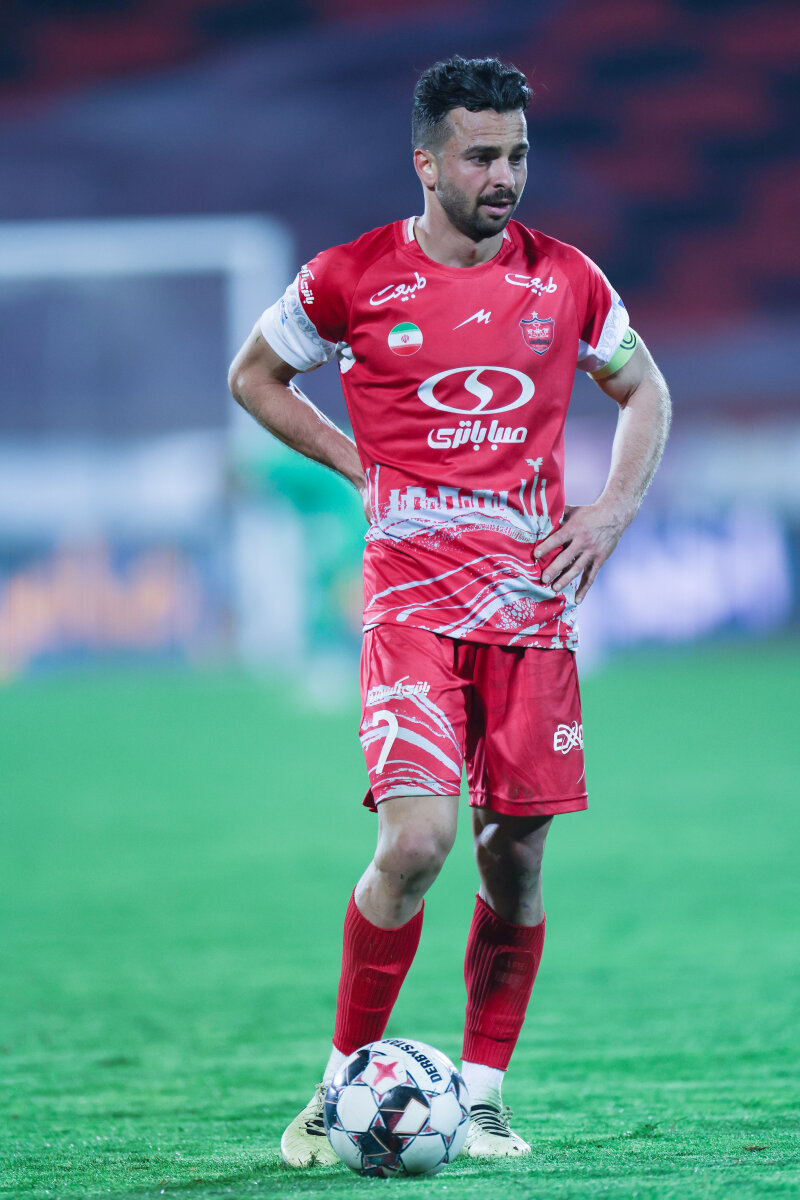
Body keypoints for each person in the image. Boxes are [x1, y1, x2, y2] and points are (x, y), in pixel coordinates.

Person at [228, 54, 671, 1164]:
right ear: (426, 163)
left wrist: (612, 510)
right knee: (418, 841)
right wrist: (354, 464)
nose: (504, 175)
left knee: (513, 860)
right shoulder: (348, 278)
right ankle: (336, 1088)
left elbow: (644, 390)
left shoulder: (566, 279)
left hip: (531, 614)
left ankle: (481, 1096)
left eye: (517, 154)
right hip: (411, 611)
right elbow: (254, 376)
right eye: (481, 156)